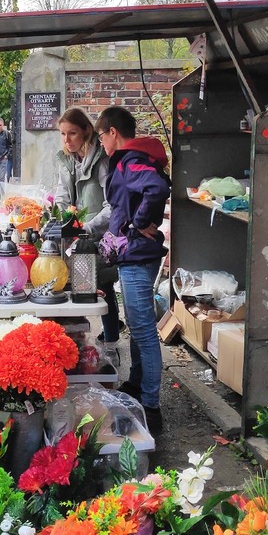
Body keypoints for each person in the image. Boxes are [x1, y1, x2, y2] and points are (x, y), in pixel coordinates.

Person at [95, 106, 171, 433]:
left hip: (138, 255)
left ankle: (151, 408)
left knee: (142, 331)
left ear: (113, 132)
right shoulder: (131, 158)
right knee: (138, 326)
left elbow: (156, 188)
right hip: (134, 253)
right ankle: (137, 384)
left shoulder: (130, 159)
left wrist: (136, 227)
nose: (101, 144)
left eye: (101, 136)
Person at [54, 107, 120, 347]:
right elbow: (62, 192)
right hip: (77, 233)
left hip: (98, 234)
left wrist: (88, 227)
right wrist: (60, 214)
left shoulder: (102, 161)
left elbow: (112, 205)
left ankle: (112, 338)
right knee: (79, 284)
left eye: (72, 133)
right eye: (62, 134)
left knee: (103, 282)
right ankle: (78, 338)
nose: (67, 140)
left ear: (86, 131)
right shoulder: (67, 159)